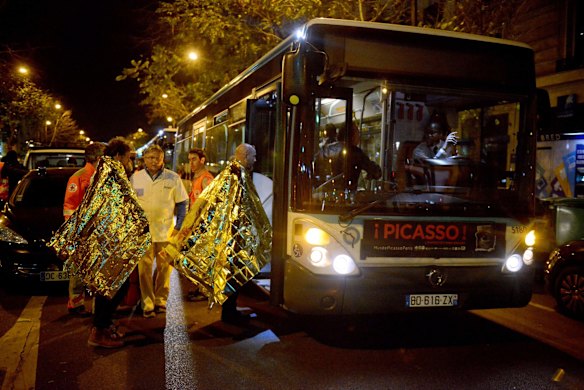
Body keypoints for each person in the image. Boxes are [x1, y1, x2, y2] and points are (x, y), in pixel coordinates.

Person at [88, 137, 136, 348]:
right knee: (114, 286)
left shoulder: (106, 173)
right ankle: (99, 332)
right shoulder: (110, 176)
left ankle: (103, 325)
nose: (129, 162)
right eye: (127, 158)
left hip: (111, 240)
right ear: (118, 156)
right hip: (110, 242)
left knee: (112, 285)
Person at [131, 144, 189, 318]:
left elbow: (182, 204)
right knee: (144, 270)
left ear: (163, 159)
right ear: (144, 160)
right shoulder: (136, 178)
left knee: (165, 269)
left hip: (166, 231)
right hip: (143, 233)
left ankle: (161, 301)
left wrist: (179, 227)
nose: (154, 161)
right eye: (150, 158)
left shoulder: (173, 178)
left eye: (157, 157)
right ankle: (147, 303)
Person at [63, 142, 106, 317]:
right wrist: (77, 231)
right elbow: (70, 207)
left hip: (99, 231)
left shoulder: (101, 176)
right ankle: (76, 303)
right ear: (98, 158)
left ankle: (98, 306)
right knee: (78, 269)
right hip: (82, 233)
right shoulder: (79, 177)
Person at [220, 143, 259, 324]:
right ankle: (229, 313)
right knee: (233, 273)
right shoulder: (236, 175)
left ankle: (230, 310)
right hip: (233, 234)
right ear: (244, 156)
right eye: (253, 156)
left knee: (233, 273)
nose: (255, 160)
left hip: (233, 233)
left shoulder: (232, 173)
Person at [314, 122, 381, 191]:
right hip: (345, 198)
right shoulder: (354, 151)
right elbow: (375, 171)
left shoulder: (323, 150)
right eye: (358, 132)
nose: (359, 136)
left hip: (323, 197)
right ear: (352, 135)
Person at [186, 148, 214, 302]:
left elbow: (210, 205)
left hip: (203, 226)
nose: (190, 162)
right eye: (189, 159)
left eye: (194, 159)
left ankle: (204, 291)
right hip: (195, 225)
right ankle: (200, 288)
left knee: (203, 259)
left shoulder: (206, 179)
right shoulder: (196, 178)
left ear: (202, 160)